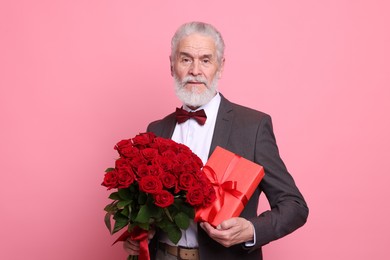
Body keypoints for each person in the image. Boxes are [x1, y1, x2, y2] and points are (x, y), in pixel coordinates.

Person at [124, 21, 308, 260]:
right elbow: (147, 209)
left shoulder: (252, 126)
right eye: (186, 59)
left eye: (206, 60)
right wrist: (136, 235)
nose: (195, 70)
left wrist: (251, 230)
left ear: (220, 67)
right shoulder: (156, 130)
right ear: (172, 65)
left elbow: (294, 206)